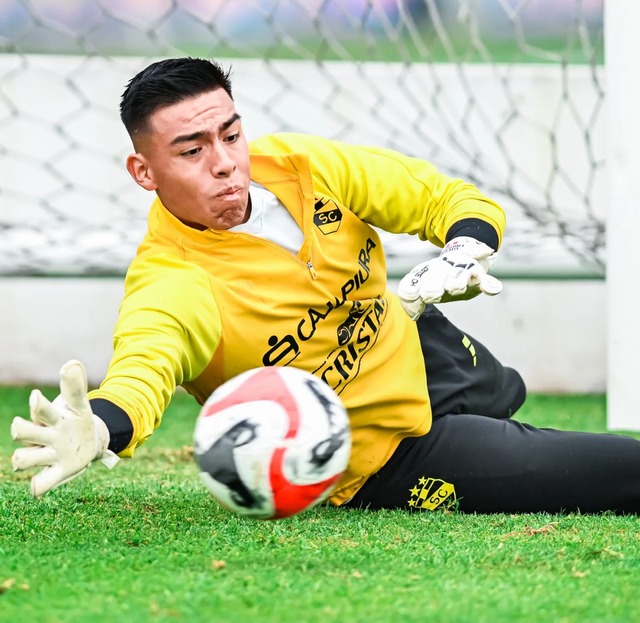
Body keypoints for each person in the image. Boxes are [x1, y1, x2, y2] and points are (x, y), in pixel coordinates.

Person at [10, 57, 640, 514]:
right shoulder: (173, 282)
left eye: (230, 134)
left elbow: (435, 195)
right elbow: (142, 370)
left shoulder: (301, 167)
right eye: (191, 150)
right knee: (619, 473)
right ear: (143, 171)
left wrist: (466, 243)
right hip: (381, 454)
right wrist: (101, 425)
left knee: (509, 389)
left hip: (421, 351)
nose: (225, 161)